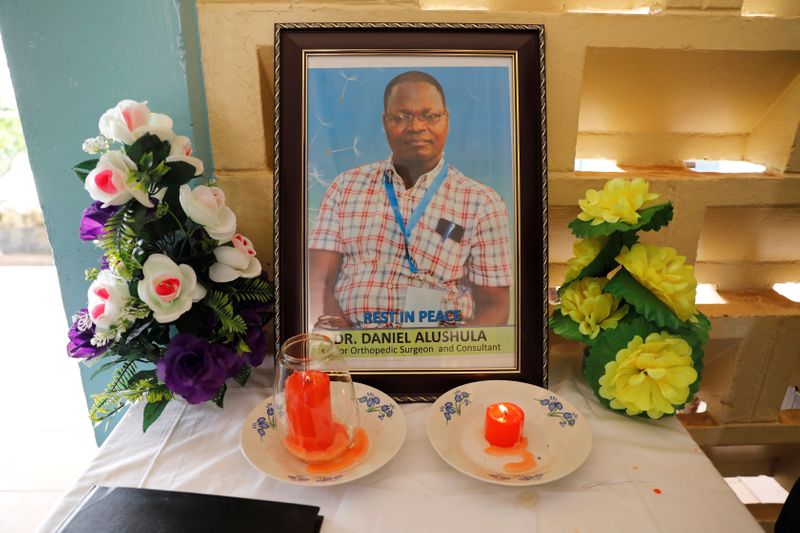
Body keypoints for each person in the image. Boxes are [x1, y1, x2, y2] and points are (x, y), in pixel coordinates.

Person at [309, 70, 512, 329]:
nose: (416, 127)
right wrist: (348, 344)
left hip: (442, 347)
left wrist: (452, 351)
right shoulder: (346, 187)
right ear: (385, 121)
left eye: (430, 116)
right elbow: (317, 281)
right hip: (353, 342)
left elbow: (495, 306)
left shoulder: (482, 202)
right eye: (402, 117)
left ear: (447, 120)